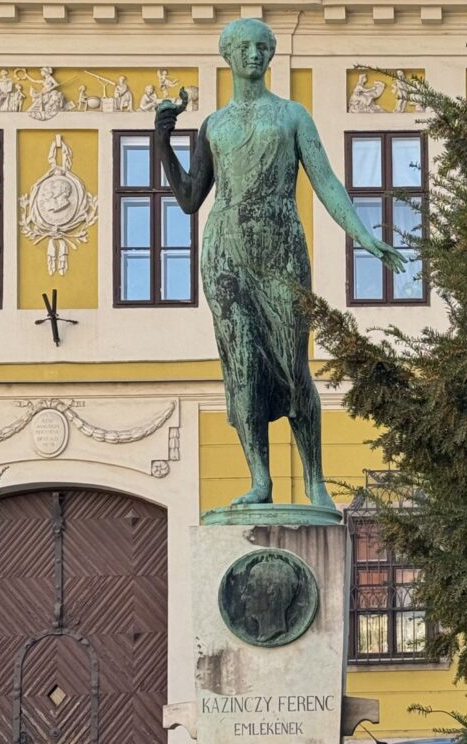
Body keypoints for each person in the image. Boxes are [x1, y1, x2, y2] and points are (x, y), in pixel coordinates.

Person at [155, 18, 406, 508]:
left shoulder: (292, 116)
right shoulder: (214, 126)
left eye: (262, 47)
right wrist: (162, 142)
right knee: (243, 367)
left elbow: (328, 182)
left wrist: (365, 237)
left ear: (270, 56)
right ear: (228, 56)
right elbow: (189, 198)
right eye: (244, 47)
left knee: (294, 367)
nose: (254, 54)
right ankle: (261, 480)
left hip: (281, 254)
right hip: (225, 254)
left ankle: (314, 479)